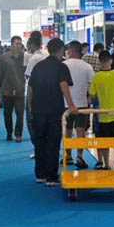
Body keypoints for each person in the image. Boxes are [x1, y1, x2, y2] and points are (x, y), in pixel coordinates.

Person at [27, 38, 77, 185]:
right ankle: (51, 176)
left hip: (38, 110)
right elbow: (64, 85)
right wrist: (71, 105)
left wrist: (30, 106)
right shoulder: (61, 67)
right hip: (54, 110)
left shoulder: (38, 66)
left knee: (40, 142)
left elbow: (30, 87)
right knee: (53, 143)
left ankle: (40, 174)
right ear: (61, 50)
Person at [89, 50, 114, 169]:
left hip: (103, 115)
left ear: (99, 61)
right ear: (111, 60)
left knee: (104, 141)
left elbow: (92, 95)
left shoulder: (96, 77)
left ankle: (106, 164)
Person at [63, 41, 94, 169]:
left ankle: (68, 155)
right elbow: (92, 84)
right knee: (80, 129)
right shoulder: (87, 66)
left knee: (67, 129)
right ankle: (79, 156)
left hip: (66, 103)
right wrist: (90, 97)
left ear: (71, 50)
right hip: (82, 103)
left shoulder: (63, 65)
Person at [0, 36, 26, 143]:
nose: (19, 46)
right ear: (12, 44)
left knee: (20, 114)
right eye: (16, 44)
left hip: (20, 90)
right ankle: (9, 132)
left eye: (20, 44)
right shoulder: (4, 57)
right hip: (7, 90)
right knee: (7, 113)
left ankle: (18, 134)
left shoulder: (25, 57)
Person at [24, 35, 46, 158]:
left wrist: (29, 101)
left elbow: (29, 77)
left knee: (32, 123)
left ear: (32, 44)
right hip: (46, 94)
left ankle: (38, 148)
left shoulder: (34, 58)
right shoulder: (46, 55)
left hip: (34, 94)